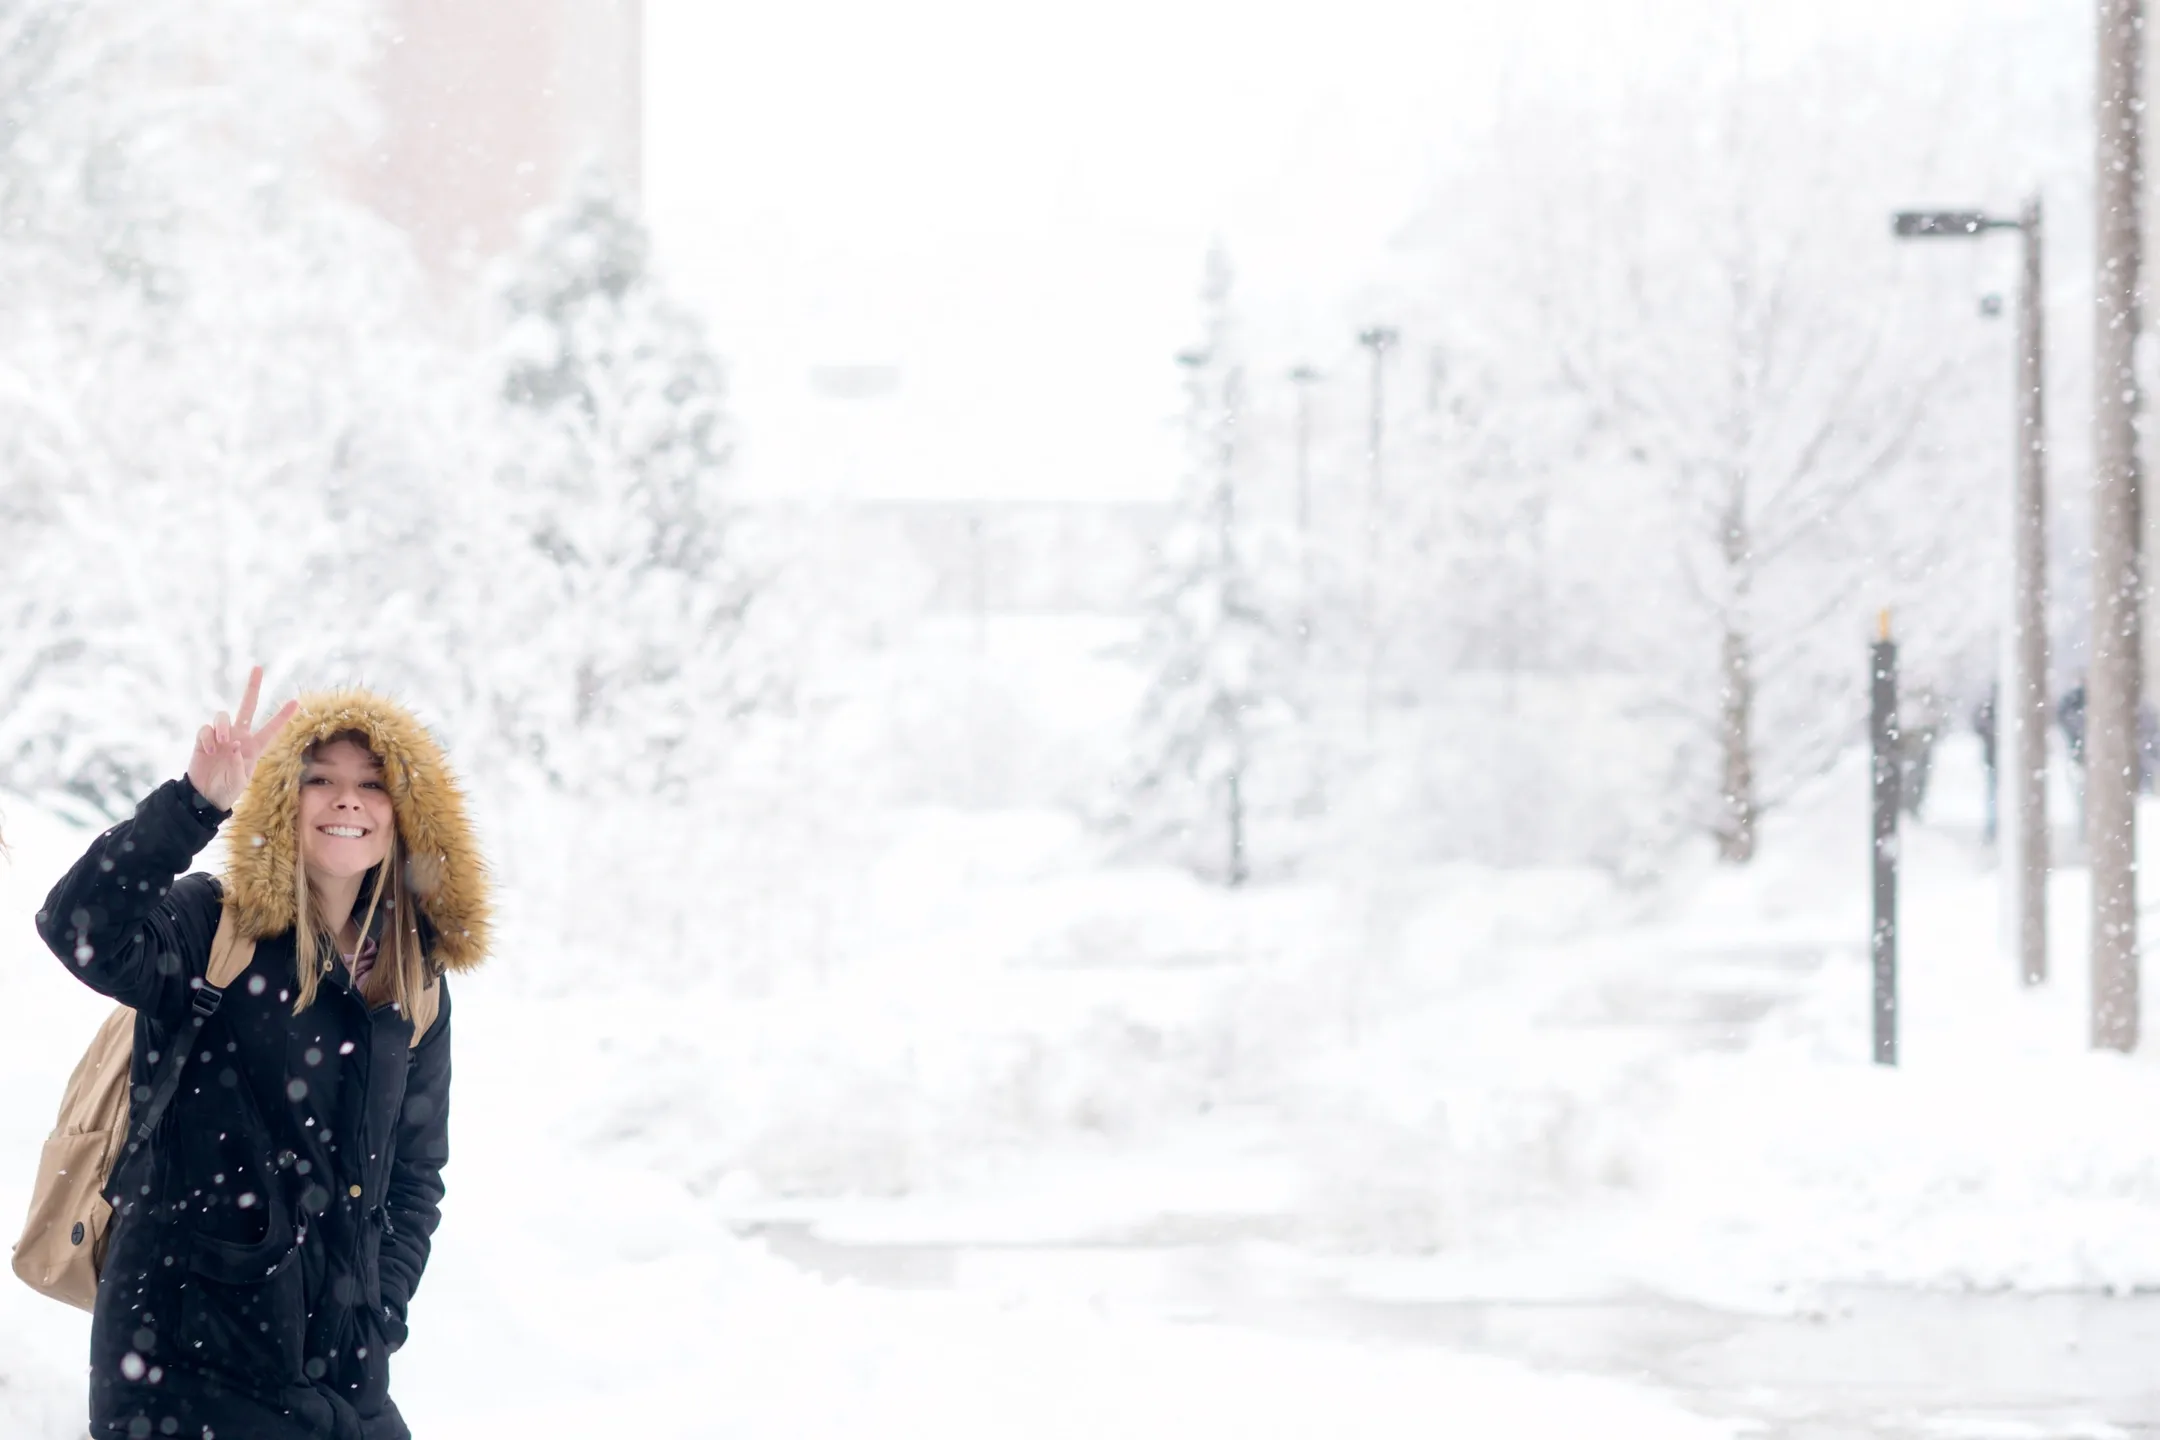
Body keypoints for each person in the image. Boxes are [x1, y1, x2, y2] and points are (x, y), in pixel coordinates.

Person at [34, 670, 489, 1440]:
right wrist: (194, 803)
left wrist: (376, 1314)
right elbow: (78, 927)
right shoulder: (213, 926)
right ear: (285, 798)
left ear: (406, 815)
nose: (348, 800)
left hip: (344, 1375)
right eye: (321, 780)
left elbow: (414, 1176)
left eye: (373, 784)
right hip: (182, 1371)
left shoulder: (412, 981)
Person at [1973, 685, 1998, 844]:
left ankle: (1993, 828)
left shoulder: (1989, 709)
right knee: (1993, 796)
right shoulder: (1990, 709)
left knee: (1993, 796)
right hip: (1993, 759)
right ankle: (1992, 828)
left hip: (1994, 758)